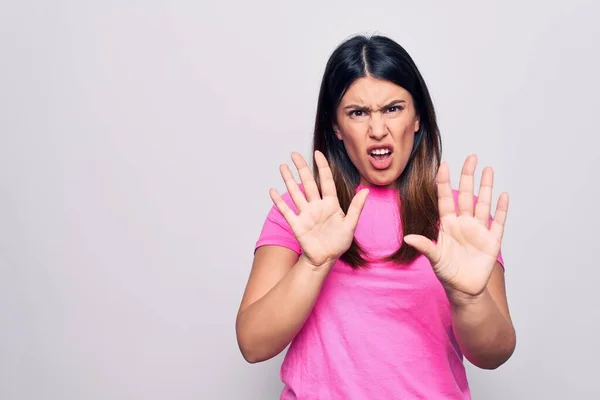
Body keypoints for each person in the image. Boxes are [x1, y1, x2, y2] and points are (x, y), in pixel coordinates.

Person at [235, 33, 516, 399]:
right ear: (336, 126)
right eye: (358, 113)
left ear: (417, 118)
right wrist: (314, 264)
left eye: (393, 108)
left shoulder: (460, 216)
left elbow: (494, 354)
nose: (378, 129)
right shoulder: (306, 210)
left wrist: (469, 298)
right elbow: (253, 344)